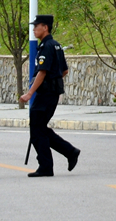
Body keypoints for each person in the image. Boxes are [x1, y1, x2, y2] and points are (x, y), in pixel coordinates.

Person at [19, 15, 80, 178]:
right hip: (50, 93)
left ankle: (46, 166)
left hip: (45, 94)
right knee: (40, 129)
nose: (33, 29)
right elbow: (64, 70)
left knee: (37, 130)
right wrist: (55, 82)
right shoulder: (56, 46)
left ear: (45, 27)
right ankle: (69, 152)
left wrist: (30, 93)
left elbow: (42, 72)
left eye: (36, 26)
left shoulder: (46, 46)